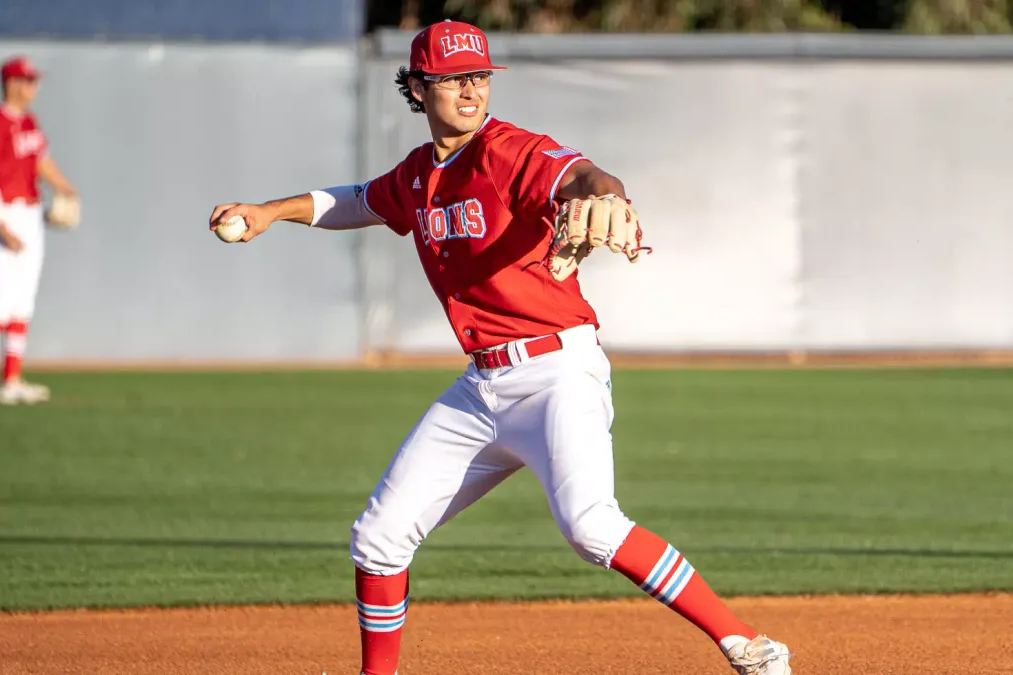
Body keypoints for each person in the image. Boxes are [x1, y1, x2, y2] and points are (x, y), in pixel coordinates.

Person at [208, 20, 792, 675]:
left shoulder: (511, 151)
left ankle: (749, 645)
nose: (470, 90)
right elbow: (355, 201)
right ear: (418, 88)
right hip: (481, 388)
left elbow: (582, 175)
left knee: (592, 527)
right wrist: (268, 211)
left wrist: (605, 194)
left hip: (556, 374)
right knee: (377, 539)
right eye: (455, 78)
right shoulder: (417, 177)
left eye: (479, 76)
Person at [0, 56, 77, 405]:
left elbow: (41, 161)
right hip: (4, 215)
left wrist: (65, 189)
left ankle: (11, 379)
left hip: (30, 213)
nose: (33, 87)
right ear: (11, 83)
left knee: (23, 302)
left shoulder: (29, 121)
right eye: (28, 80)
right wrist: (1, 224)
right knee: (2, 299)